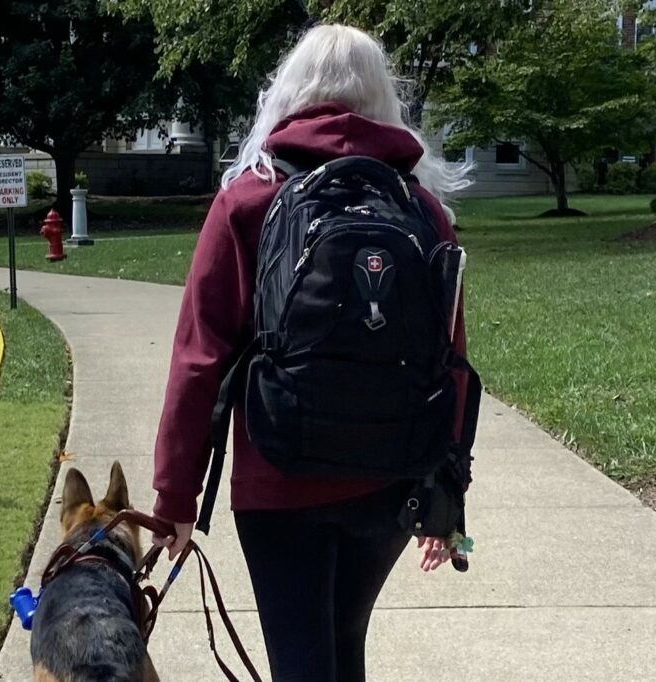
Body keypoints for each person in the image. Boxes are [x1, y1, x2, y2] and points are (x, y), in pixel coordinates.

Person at [152, 23, 473, 682]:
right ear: (384, 97)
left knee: (301, 661)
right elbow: (451, 358)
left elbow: (199, 356)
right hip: (389, 477)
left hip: (279, 478)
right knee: (344, 646)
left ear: (289, 90)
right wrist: (448, 491)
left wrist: (174, 499)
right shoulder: (421, 209)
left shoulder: (249, 197)